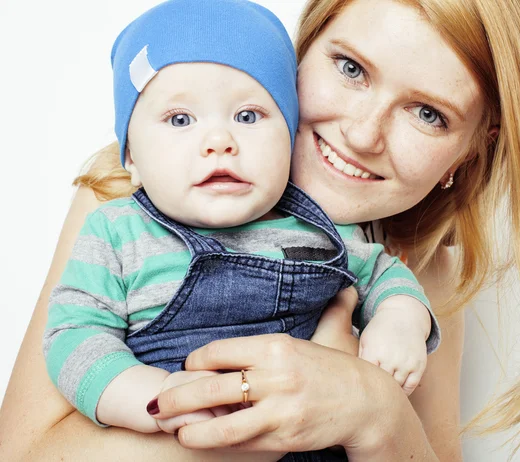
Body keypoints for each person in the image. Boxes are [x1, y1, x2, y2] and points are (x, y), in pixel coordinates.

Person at [0, 0, 520, 461]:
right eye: (351, 68)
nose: (362, 135)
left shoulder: (419, 263)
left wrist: (374, 411)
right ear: (299, 53)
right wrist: (254, 421)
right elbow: (24, 451)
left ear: (470, 150)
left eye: (428, 113)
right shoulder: (126, 203)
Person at [42, 0, 438, 435]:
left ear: (287, 138)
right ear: (132, 156)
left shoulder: (325, 229)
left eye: (248, 116)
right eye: (180, 119)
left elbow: (384, 273)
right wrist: (150, 396)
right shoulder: (117, 231)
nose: (218, 140)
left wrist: (400, 319)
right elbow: (74, 335)